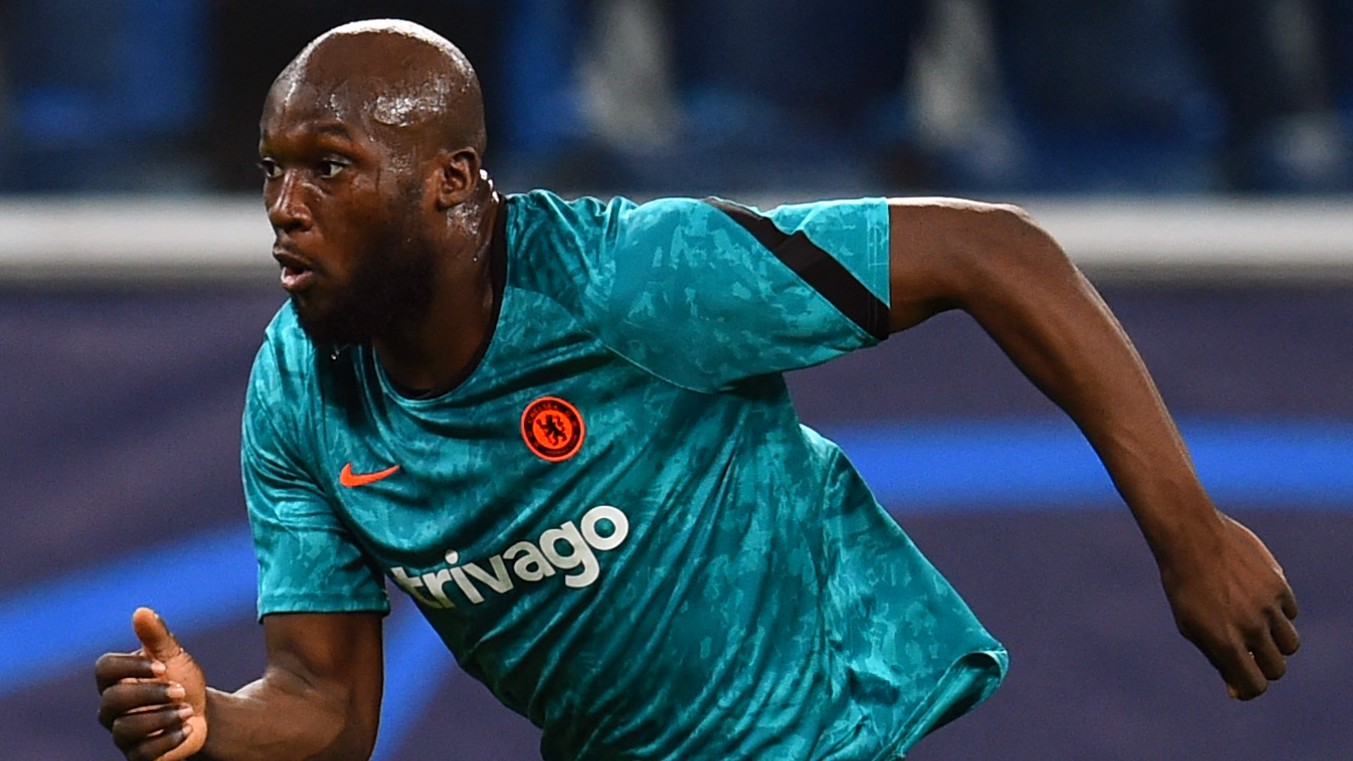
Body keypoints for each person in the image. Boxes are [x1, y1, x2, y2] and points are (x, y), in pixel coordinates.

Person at [94, 19, 1300, 761]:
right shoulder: (297, 389)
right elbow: (327, 704)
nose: (285, 207)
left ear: (451, 181)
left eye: (329, 167)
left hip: (821, 726)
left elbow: (998, 252)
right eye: (273, 170)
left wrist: (1188, 534)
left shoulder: (631, 280)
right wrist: (213, 718)